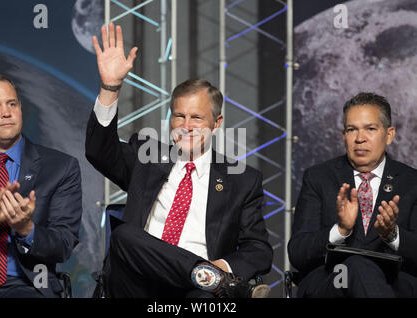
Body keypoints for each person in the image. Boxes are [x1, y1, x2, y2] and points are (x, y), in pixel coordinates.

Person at [85, 23, 273, 298]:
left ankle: (205, 277)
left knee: (202, 300)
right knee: (124, 235)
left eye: (197, 117)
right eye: (179, 116)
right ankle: (208, 276)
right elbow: (98, 151)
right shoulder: (146, 157)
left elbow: (258, 250)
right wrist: (110, 87)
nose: (186, 125)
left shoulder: (241, 180)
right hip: (137, 283)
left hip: (194, 293)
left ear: (216, 123)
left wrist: (220, 266)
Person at [288, 92, 417, 297]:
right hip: (333, 280)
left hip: (394, 282)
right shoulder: (319, 177)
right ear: (343, 136)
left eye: (371, 129)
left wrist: (393, 235)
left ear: (389, 134)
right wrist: (340, 230)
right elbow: (298, 252)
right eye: (351, 130)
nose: (359, 138)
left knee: (363, 269)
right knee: (356, 266)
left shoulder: (412, 182)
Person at [0, 73, 82, 298]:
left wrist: (26, 230)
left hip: (27, 284)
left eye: (12, 104)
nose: (6, 113)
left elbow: (63, 245)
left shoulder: (61, 167)